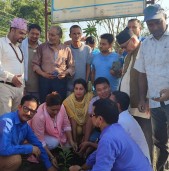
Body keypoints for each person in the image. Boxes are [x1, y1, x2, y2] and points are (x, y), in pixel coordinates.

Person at [69, 99, 152, 171]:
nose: (91, 118)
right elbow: (99, 153)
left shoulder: (108, 139)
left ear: (100, 119)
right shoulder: (116, 128)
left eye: (92, 115)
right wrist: (84, 166)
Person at [134, 4, 169, 171]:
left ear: (165, 18)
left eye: (157, 22)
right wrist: (142, 98)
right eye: (150, 24)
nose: (154, 27)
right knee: (160, 142)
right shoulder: (145, 44)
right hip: (155, 103)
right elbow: (142, 73)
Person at [116, 27, 153, 159]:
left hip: (143, 106)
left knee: (147, 140)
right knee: (135, 141)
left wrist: (147, 99)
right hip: (129, 108)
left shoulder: (146, 51)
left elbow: (151, 77)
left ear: (133, 39)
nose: (124, 50)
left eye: (125, 46)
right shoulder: (128, 57)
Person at [0, 95, 57, 171]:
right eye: (26, 109)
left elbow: (38, 144)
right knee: (15, 159)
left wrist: (49, 166)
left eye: (33, 111)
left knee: (32, 147)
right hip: (3, 151)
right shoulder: (7, 121)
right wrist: (29, 148)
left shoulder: (25, 126)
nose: (29, 113)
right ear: (19, 107)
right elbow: (4, 149)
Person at [30, 92, 77, 166]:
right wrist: (51, 157)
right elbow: (40, 140)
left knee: (69, 145)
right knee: (54, 142)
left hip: (55, 132)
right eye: (53, 110)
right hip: (38, 136)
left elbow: (66, 124)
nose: (56, 112)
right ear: (46, 106)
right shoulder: (39, 116)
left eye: (57, 110)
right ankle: (45, 154)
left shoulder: (61, 107)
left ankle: (54, 150)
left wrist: (71, 141)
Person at [32, 25, 75, 103]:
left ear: (60, 36)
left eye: (53, 35)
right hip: (45, 81)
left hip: (60, 81)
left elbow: (72, 67)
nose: (50, 37)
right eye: (49, 34)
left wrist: (65, 73)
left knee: (59, 104)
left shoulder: (66, 49)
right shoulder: (42, 47)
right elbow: (35, 64)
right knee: (44, 104)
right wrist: (43, 74)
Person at [0, 18, 27, 115]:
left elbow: (21, 69)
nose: (23, 36)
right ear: (12, 30)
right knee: (5, 120)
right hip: (4, 87)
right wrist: (11, 78)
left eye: (24, 34)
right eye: (21, 33)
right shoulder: (1, 43)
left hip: (18, 90)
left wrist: (22, 87)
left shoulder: (18, 48)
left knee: (16, 119)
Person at [63, 78, 93, 145]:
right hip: (74, 124)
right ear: (73, 89)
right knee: (78, 130)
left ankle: (85, 142)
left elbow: (89, 117)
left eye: (81, 89)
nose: (78, 91)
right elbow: (73, 120)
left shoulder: (90, 97)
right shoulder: (68, 102)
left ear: (85, 90)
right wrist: (74, 140)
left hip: (87, 123)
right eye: (76, 89)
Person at [67, 25, 92, 95]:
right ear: (70, 35)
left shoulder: (87, 49)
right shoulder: (66, 49)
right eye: (74, 34)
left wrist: (86, 81)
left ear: (81, 35)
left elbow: (88, 66)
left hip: (82, 87)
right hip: (70, 87)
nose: (76, 35)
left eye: (78, 33)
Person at [21, 23, 42, 99]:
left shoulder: (42, 47)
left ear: (40, 35)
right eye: (32, 33)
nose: (34, 36)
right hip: (24, 86)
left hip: (38, 87)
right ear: (28, 33)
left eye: (37, 34)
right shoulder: (20, 46)